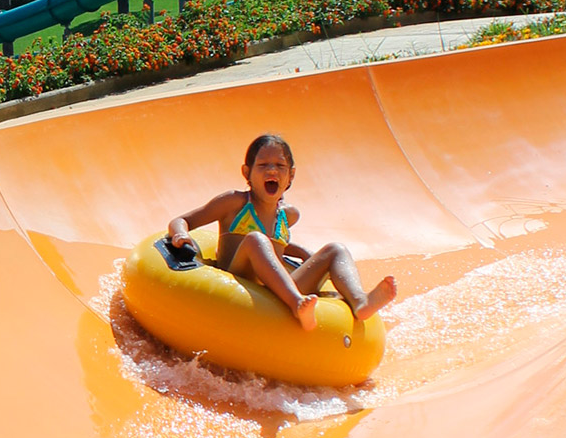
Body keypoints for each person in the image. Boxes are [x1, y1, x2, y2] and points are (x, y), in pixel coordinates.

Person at [167, 133, 398, 331]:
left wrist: (302, 252)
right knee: (255, 240)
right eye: (263, 165)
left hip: (276, 291)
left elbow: (276, 245)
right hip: (239, 283)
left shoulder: (288, 215)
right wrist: (180, 235)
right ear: (246, 172)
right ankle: (297, 305)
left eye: (280, 166)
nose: (272, 170)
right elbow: (183, 220)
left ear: (291, 175)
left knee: (336, 249)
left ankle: (360, 302)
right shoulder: (234, 203)